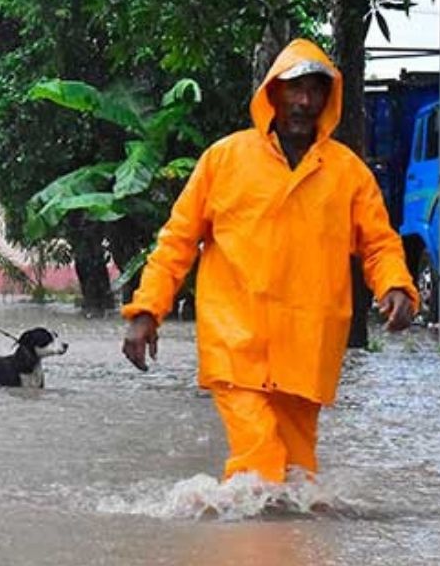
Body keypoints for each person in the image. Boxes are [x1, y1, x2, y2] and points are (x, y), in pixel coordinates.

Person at [120, 38, 417, 484]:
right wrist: (146, 311)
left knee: (298, 476)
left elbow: (379, 244)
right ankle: (246, 530)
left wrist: (395, 286)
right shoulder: (224, 159)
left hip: (308, 348)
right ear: (272, 93)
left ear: (328, 99)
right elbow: (176, 242)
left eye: (315, 90)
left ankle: (273, 531)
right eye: (294, 88)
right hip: (236, 344)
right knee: (259, 463)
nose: (304, 101)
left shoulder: (348, 173)